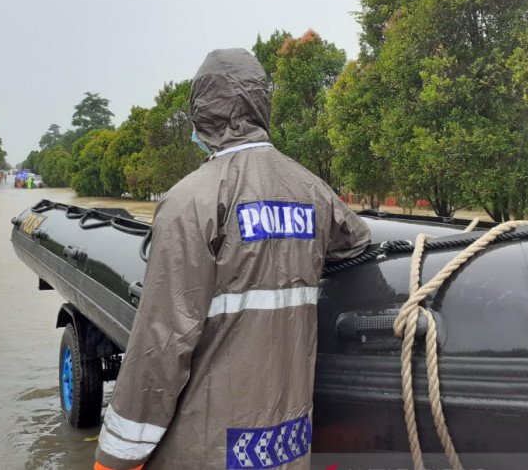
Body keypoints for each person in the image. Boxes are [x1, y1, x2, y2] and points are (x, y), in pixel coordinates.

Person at [94, 48, 371, 470]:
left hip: (210, 449)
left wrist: (116, 455)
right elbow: (355, 240)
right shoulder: (313, 192)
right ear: (261, 106)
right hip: (288, 444)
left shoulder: (191, 201)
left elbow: (161, 343)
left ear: (203, 114)